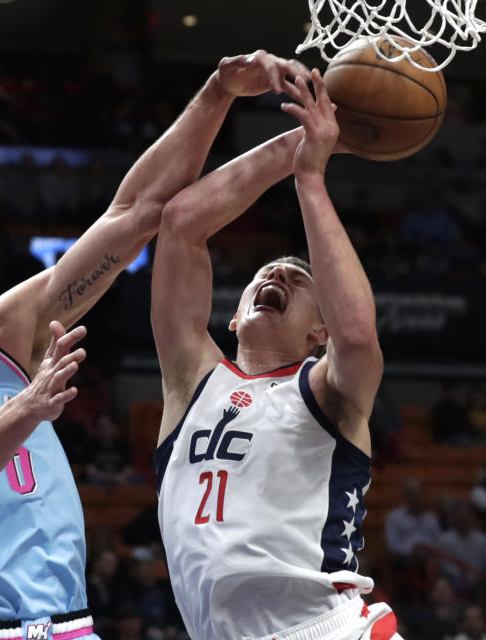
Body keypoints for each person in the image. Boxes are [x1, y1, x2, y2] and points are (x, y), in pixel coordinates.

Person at [0, 51, 304, 639]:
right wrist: (29, 404)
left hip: (72, 628)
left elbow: (137, 212)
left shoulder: (4, 340)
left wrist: (224, 94)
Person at [150, 69, 399, 639]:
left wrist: (311, 178)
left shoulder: (326, 391)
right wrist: (301, 140)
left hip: (328, 628)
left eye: (298, 278)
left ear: (319, 332)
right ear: (234, 317)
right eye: (266, 271)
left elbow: (358, 336)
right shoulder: (192, 380)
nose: (278, 270)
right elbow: (180, 224)